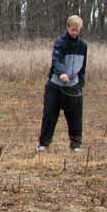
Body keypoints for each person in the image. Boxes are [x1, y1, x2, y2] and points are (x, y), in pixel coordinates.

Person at [37, 15, 88, 152]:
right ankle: (43, 144)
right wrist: (61, 73)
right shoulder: (60, 43)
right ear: (68, 27)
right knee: (49, 115)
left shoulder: (83, 46)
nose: (74, 32)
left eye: (77, 30)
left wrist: (80, 84)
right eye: (72, 29)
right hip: (55, 86)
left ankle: (76, 144)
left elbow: (82, 68)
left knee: (75, 117)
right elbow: (56, 60)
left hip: (73, 87)